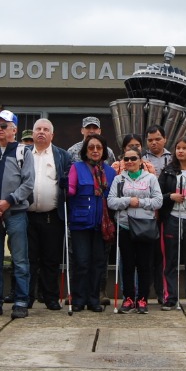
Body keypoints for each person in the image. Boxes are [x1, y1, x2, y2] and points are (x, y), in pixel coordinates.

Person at [0, 110, 35, 318]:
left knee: (19, 259)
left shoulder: (23, 152)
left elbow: (28, 183)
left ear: (14, 129)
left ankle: (21, 301)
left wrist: (8, 201)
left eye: (4, 126)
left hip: (16, 212)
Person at [107, 147, 162, 312]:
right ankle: (129, 298)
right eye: (127, 159)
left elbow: (158, 201)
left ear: (140, 161)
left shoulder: (151, 178)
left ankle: (143, 299)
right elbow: (111, 201)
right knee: (128, 264)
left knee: (145, 264)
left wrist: (140, 202)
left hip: (145, 226)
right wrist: (127, 201)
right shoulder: (119, 180)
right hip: (125, 226)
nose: (130, 162)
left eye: (133, 159)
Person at [66, 133, 116, 312]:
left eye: (99, 148)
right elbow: (70, 191)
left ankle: (94, 299)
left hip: (102, 224)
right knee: (82, 261)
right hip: (81, 223)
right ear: (85, 151)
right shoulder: (76, 168)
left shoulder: (110, 172)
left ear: (104, 151)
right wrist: (67, 188)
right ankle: (79, 299)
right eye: (91, 148)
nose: (95, 151)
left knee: (98, 262)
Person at [26, 118, 72, 310]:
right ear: (33, 133)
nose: (41, 132)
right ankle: (25, 296)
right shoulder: (23, 153)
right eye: (38, 129)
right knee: (27, 259)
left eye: (46, 129)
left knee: (51, 260)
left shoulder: (62, 155)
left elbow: (70, 181)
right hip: (26, 216)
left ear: (52, 135)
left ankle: (51, 297)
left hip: (52, 216)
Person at [158, 137, 186, 309]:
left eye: (184, 148)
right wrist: (171, 197)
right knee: (170, 261)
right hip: (172, 220)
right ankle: (170, 298)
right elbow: (157, 196)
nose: (181, 151)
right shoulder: (167, 172)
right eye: (178, 148)